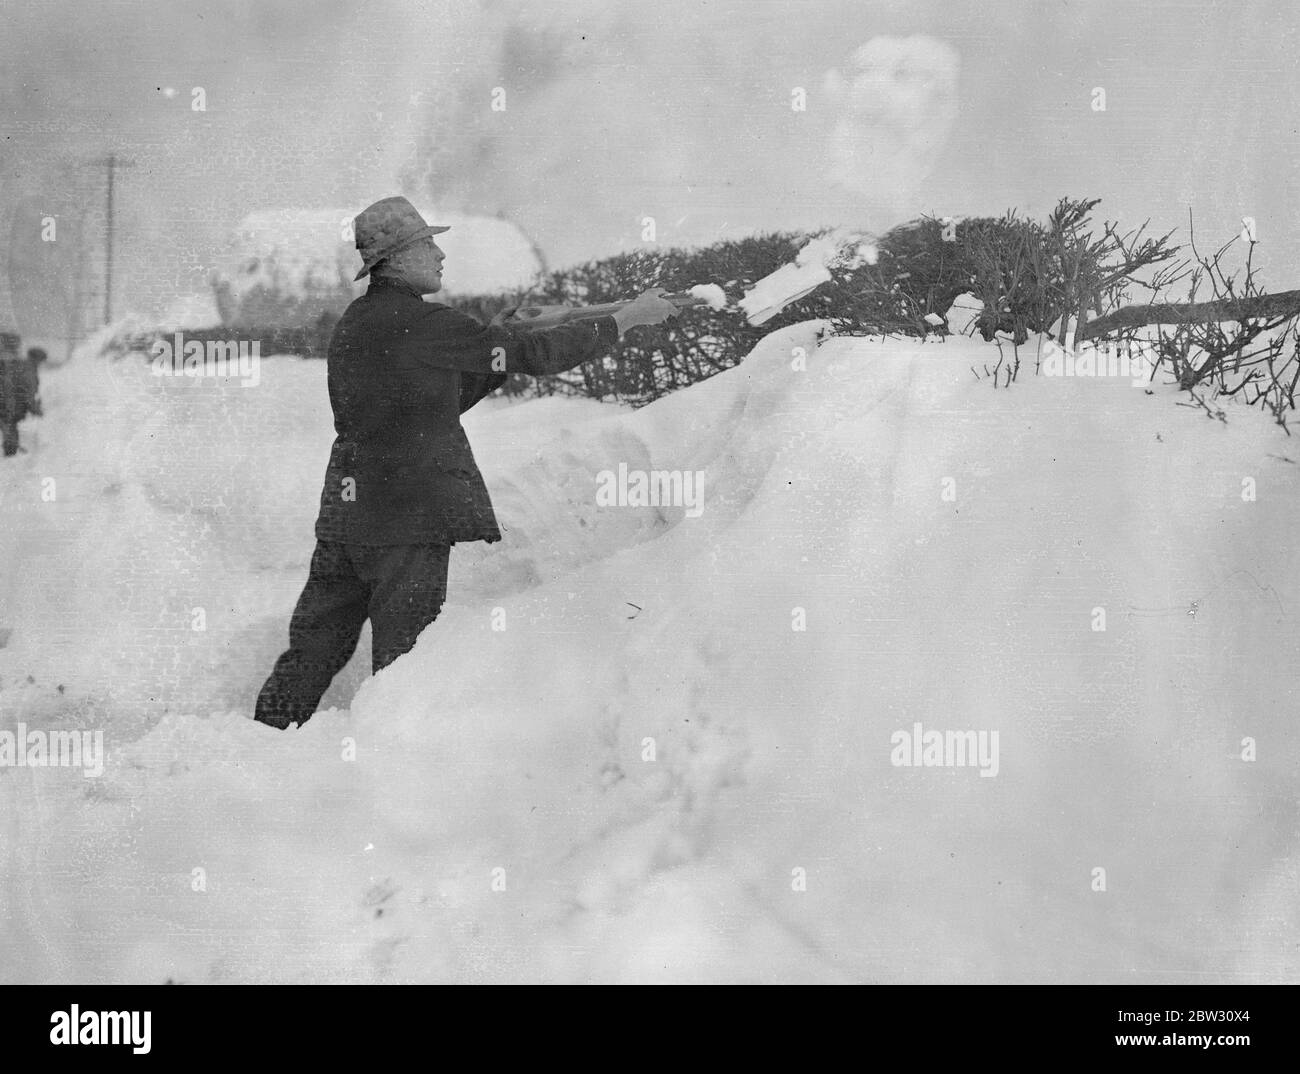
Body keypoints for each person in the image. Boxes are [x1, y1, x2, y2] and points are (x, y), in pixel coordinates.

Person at [254, 196, 678, 729]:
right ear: (399, 259)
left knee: (311, 654)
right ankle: (388, 773)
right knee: (404, 664)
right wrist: (626, 320)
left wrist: (499, 333)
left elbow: (432, 402)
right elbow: (534, 357)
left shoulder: (358, 323)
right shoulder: (423, 321)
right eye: (428, 244)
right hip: (407, 523)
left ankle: (258, 750)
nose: (439, 254)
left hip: (348, 521)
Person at [0, 332, 41, 457]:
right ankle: (10, 450)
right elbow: (26, 389)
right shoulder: (20, 366)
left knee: (9, 426)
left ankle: (10, 449)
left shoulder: (18, 366)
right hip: (9, 406)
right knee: (9, 426)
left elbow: (23, 388)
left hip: (9, 405)